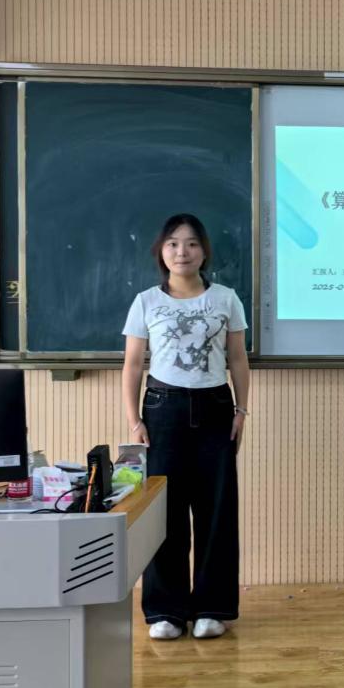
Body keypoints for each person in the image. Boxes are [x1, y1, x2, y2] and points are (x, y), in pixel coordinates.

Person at [121, 213, 250, 640]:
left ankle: (212, 608)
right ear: (161, 251)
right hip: (163, 409)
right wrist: (135, 420)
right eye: (173, 243)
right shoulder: (145, 302)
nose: (182, 252)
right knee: (165, 512)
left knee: (216, 511)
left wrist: (241, 411)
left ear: (204, 251)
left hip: (215, 408)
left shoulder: (226, 299)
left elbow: (237, 359)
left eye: (192, 243)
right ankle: (166, 611)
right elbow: (133, 364)